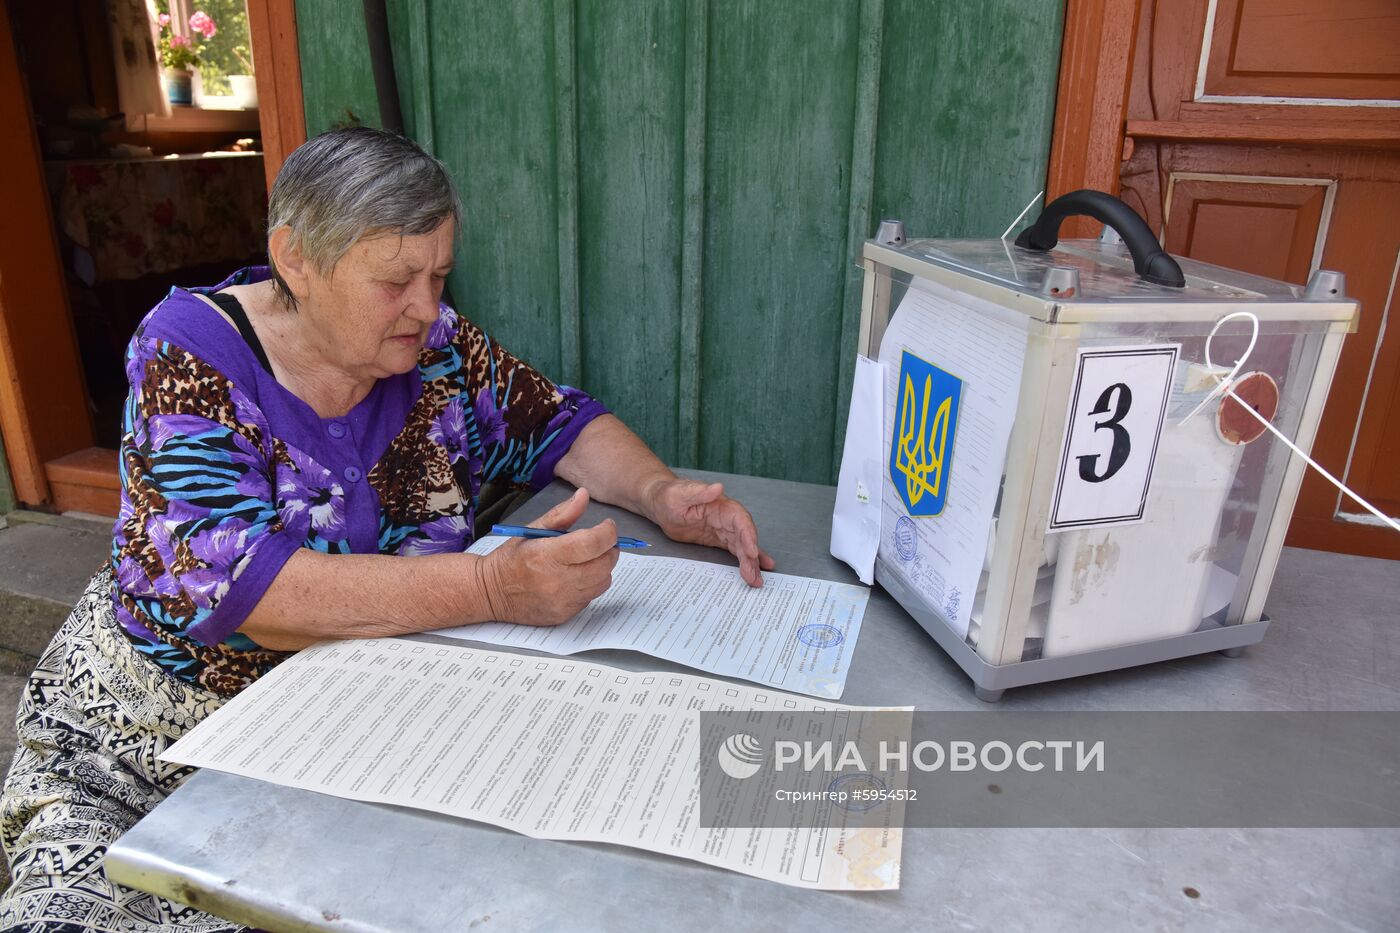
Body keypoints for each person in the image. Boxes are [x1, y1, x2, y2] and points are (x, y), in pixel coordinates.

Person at [0, 126, 774, 931]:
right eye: (397, 279)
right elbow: (245, 586)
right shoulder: (189, 352)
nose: (429, 306)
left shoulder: (434, 348)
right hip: (149, 748)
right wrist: (493, 585)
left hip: (353, 733)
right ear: (295, 258)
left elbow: (557, 423)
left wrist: (662, 491)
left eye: (439, 274)